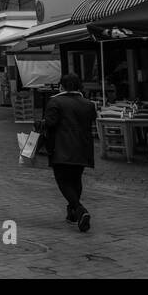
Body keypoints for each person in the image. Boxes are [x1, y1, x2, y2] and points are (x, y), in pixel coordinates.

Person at [42, 72, 98, 232]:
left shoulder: (55, 101)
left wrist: (41, 123)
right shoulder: (88, 104)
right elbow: (91, 119)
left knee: (63, 180)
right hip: (82, 147)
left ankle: (80, 210)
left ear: (61, 86)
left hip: (62, 147)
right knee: (76, 178)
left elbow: (51, 123)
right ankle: (72, 212)